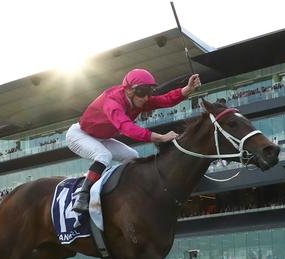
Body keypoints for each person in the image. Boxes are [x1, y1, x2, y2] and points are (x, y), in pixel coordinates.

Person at [66, 69, 202, 213]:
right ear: (129, 90)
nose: (146, 98)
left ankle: (124, 191)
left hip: (101, 137)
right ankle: (83, 195)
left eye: (149, 93)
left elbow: (164, 100)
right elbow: (127, 128)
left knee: (132, 156)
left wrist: (188, 89)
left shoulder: (138, 98)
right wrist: (161, 137)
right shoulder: (112, 101)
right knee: (104, 155)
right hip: (79, 135)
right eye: (142, 93)